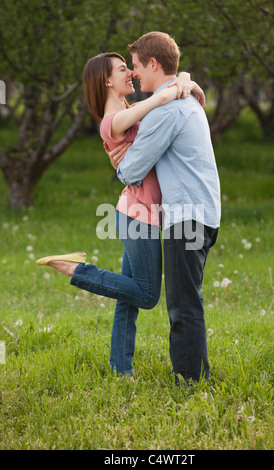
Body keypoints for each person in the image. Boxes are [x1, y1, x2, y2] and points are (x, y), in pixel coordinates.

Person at [36, 51, 205, 380]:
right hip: (138, 217)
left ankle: (120, 369)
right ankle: (76, 269)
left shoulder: (127, 112)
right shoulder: (112, 120)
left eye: (130, 67)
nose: (131, 73)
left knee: (127, 296)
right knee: (146, 295)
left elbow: (168, 96)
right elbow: (157, 102)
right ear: (107, 81)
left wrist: (183, 80)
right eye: (123, 69)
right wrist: (175, 86)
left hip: (140, 212)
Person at [106, 32, 221, 386]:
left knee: (183, 305)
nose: (135, 73)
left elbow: (132, 170)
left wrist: (119, 163)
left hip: (185, 218)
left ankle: (189, 382)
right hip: (205, 213)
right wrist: (185, 80)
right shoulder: (188, 100)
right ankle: (193, 375)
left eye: (137, 66)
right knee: (189, 299)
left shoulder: (166, 109)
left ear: (154, 64)